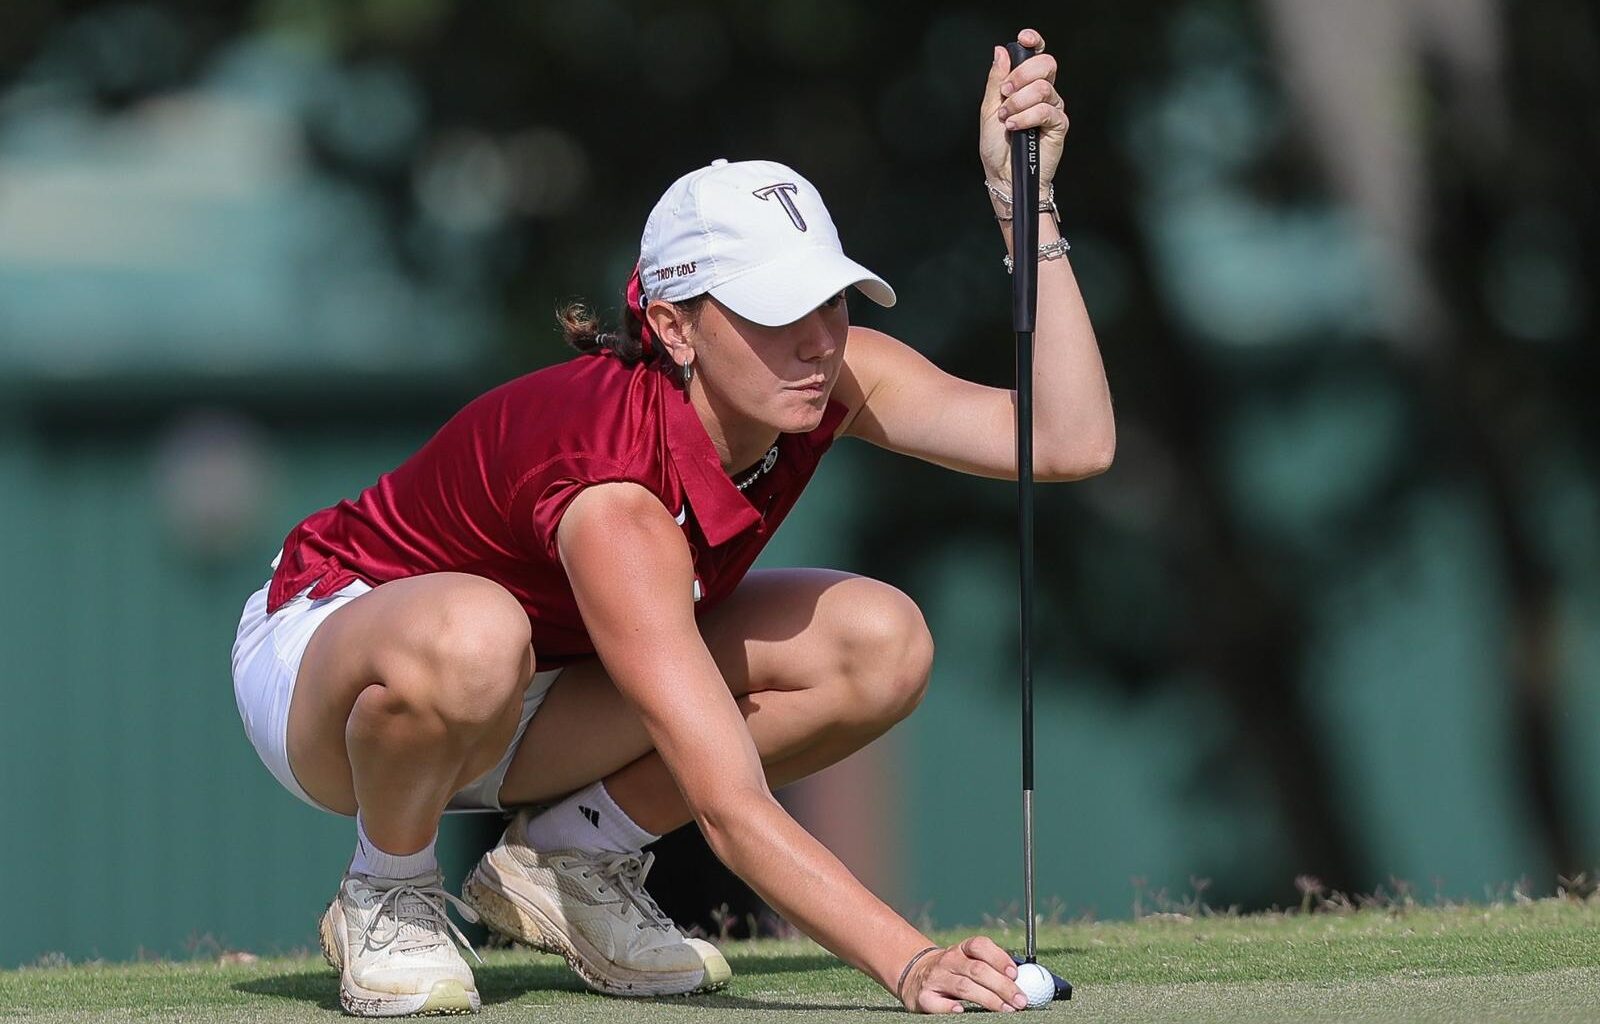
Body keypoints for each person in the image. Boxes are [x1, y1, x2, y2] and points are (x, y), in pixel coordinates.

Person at [230, 27, 1108, 1017]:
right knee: (476, 634)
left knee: (878, 641)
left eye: (828, 301)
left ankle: (572, 861)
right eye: (774, 311)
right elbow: (727, 803)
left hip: (545, 679)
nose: (817, 341)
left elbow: (1068, 442)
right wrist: (909, 963)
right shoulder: (612, 497)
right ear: (674, 324)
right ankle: (386, 886)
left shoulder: (828, 379)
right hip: (334, 662)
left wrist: (1022, 203)